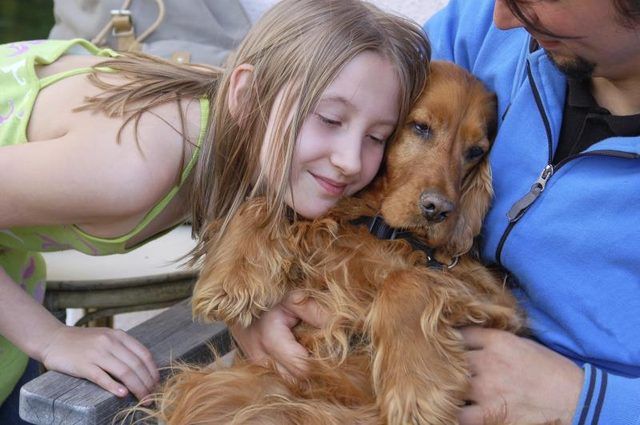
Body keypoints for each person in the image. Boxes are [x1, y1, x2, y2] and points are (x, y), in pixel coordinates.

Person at [0, 0, 430, 422]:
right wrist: (52, 338)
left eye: (377, 136)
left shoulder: (250, 142)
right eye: (331, 120)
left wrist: (250, 310)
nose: (351, 160)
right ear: (246, 94)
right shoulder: (132, 165)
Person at [234, 0, 640, 424]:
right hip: (343, 356)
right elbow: (315, 131)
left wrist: (588, 401)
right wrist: (251, 278)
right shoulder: (479, 28)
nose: (501, 17)